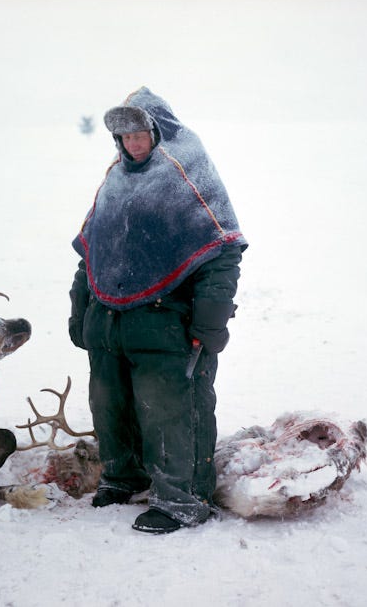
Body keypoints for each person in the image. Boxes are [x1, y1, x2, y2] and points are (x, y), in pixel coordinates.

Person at [68, 87, 246, 534]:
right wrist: (81, 313)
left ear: (158, 131)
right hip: (110, 323)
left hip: (168, 322)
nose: (132, 143)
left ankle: (181, 500)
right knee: (110, 406)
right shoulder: (115, 178)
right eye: (123, 136)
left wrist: (207, 326)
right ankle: (122, 478)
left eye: (139, 133)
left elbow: (222, 253)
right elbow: (90, 254)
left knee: (170, 411)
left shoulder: (187, 175)